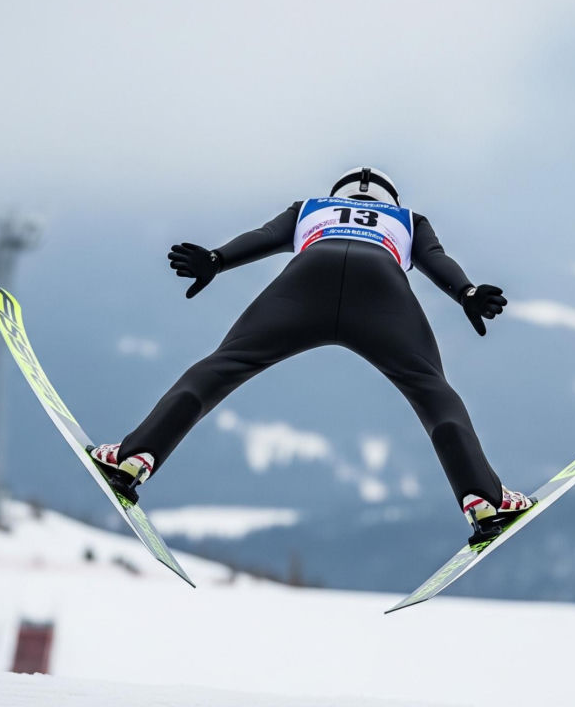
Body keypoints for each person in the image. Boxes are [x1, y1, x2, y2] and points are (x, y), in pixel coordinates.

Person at [90, 167, 533, 544]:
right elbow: (436, 259)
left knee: (223, 365)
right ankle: (484, 500)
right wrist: (467, 293)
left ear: (337, 194)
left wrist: (215, 259)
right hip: (379, 286)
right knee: (432, 392)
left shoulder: (309, 208)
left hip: (307, 280)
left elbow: (263, 237)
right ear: (391, 200)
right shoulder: (409, 219)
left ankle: (134, 458)